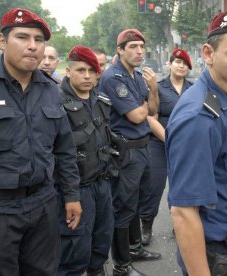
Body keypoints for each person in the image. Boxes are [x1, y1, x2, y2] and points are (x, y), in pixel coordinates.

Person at [166, 9, 227, 276]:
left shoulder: (224, 99)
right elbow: (184, 213)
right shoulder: (200, 117)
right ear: (208, 54)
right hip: (218, 257)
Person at [0, 8, 81, 275]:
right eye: (23, 37)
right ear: (2, 42)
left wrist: (72, 195)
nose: (32, 46)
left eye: (39, 40)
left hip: (43, 206)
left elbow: (64, 149)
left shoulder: (51, 90)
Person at [98, 28, 161, 276]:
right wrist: (144, 104)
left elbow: (153, 110)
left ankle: (135, 248)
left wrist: (153, 89)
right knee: (122, 207)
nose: (139, 51)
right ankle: (121, 265)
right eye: (133, 46)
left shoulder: (136, 76)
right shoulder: (114, 77)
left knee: (135, 203)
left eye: (141, 47)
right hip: (125, 151)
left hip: (141, 147)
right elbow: (136, 116)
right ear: (120, 50)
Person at [56, 46, 115, 276]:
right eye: (81, 70)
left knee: (101, 240)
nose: (88, 75)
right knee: (74, 249)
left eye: (93, 70)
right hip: (75, 189)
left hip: (102, 183)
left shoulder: (101, 100)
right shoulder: (56, 103)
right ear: (68, 71)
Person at [140, 48, 193, 246]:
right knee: (154, 186)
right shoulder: (157, 87)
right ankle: (146, 225)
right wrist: (169, 140)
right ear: (169, 64)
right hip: (159, 143)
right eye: (177, 62)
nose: (181, 66)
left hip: (186, 147)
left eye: (185, 64)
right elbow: (150, 117)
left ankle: (180, 225)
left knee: (184, 187)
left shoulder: (195, 89)